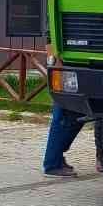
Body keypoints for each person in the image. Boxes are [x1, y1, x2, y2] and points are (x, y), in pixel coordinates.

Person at [42, 44, 86, 177]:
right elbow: (50, 42)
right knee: (64, 115)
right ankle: (52, 164)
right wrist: (57, 63)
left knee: (71, 114)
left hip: (67, 64)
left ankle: (56, 159)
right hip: (65, 65)